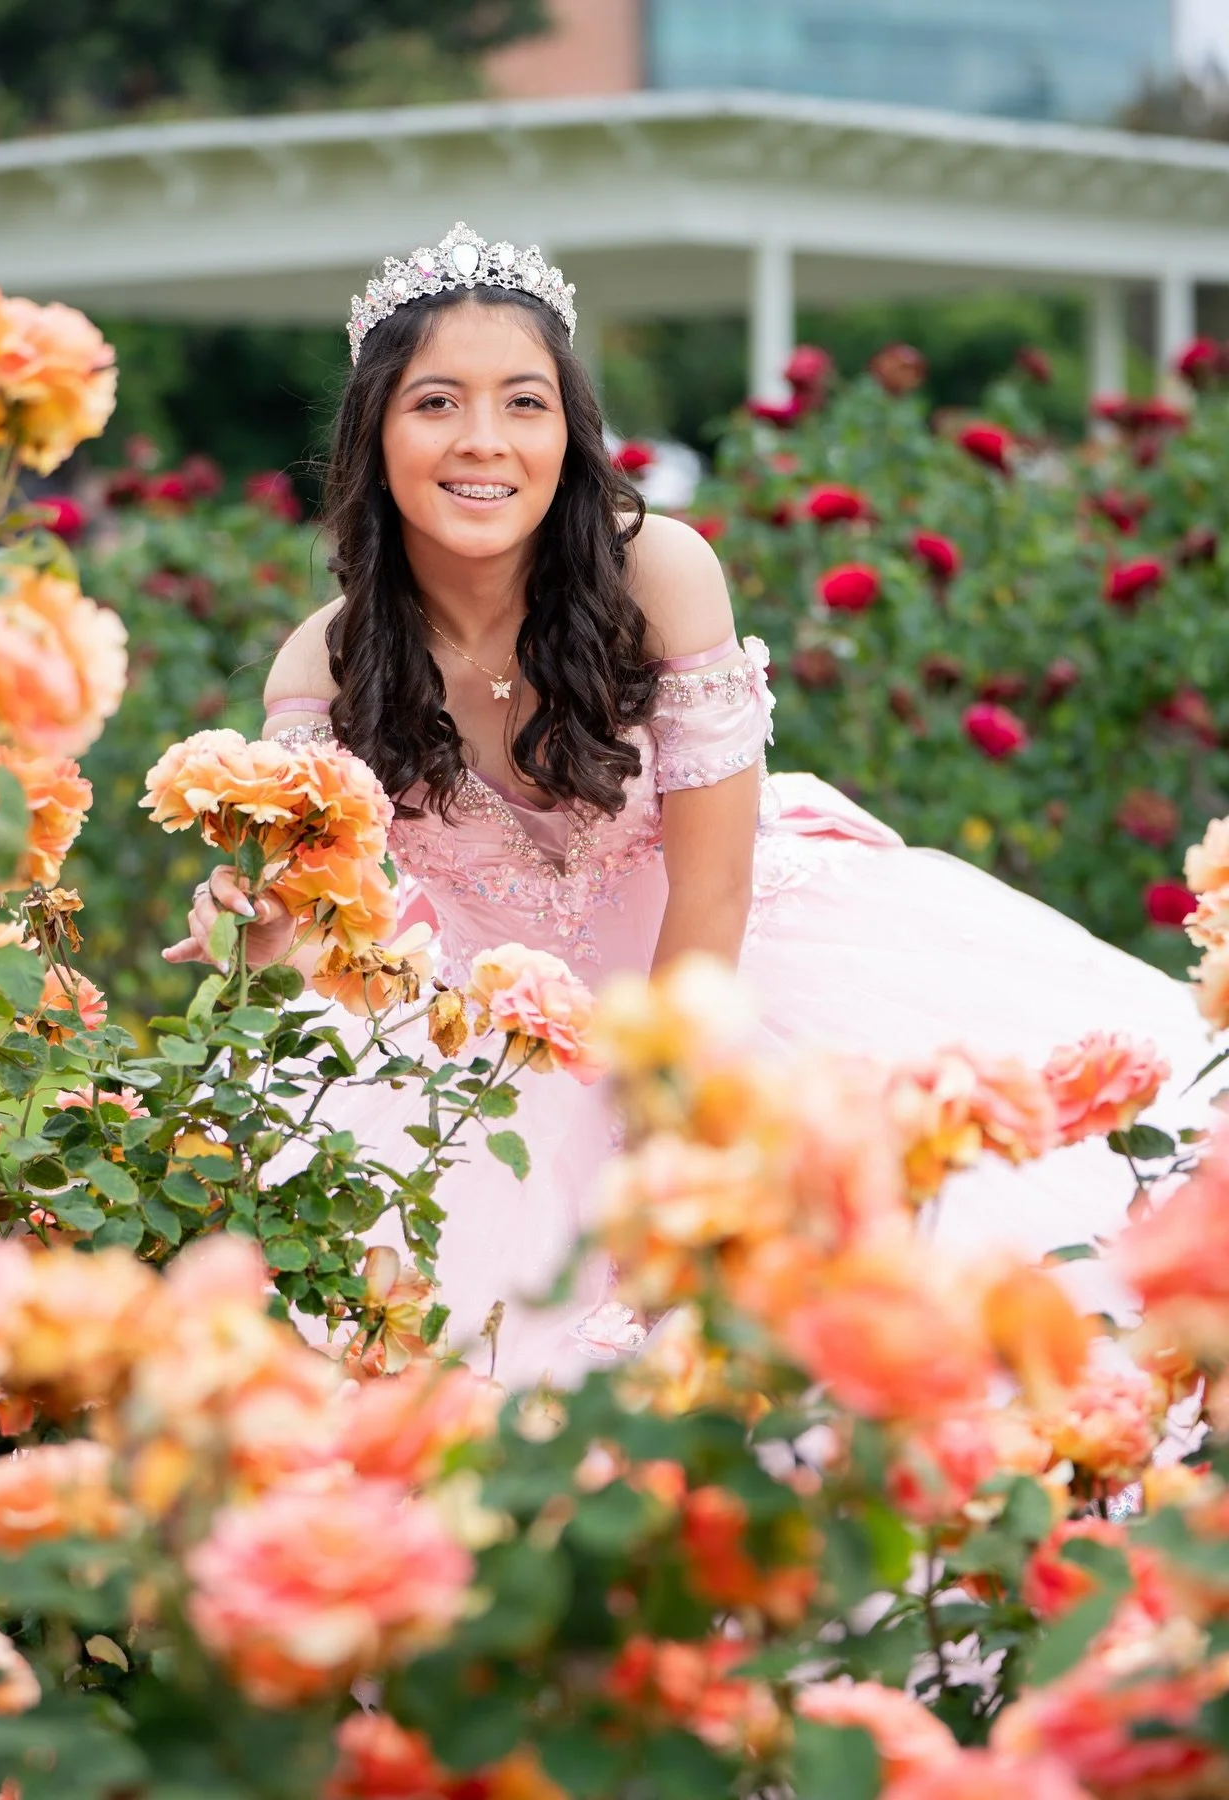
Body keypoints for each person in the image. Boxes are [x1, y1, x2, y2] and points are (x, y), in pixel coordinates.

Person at [166, 223, 1211, 1389]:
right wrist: (259, 932)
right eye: (436, 405)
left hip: (732, 972)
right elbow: (320, 924)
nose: (483, 443)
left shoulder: (658, 574)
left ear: (569, 434)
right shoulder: (323, 667)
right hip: (490, 1046)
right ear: (376, 434)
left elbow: (711, 886)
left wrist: (658, 1130)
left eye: (524, 404)